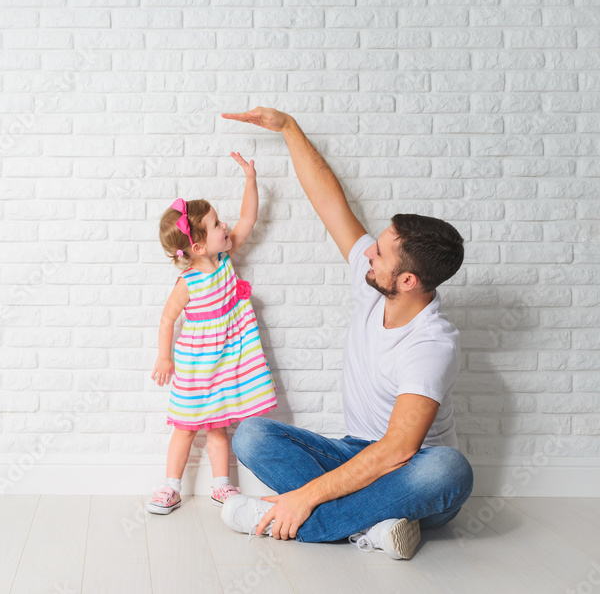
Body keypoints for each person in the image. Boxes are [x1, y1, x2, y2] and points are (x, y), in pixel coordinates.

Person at [217, 107, 474, 561]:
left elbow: (398, 450)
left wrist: (304, 495)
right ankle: (374, 527)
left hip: (412, 469)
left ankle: (279, 518)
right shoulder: (375, 284)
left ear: (408, 281)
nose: (367, 252)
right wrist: (288, 128)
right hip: (354, 453)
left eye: (380, 253)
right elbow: (330, 204)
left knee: (450, 470)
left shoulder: (432, 344)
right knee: (252, 436)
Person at [146, 152, 279, 515]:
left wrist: (250, 179)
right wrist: (164, 356)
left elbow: (249, 218)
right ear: (200, 246)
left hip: (226, 358)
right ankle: (171, 486)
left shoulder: (224, 258)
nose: (226, 227)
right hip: (195, 363)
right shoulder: (187, 283)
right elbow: (167, 319)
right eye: (218, 223)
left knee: (219, 426)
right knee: (186, 426)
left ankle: (221, 485)